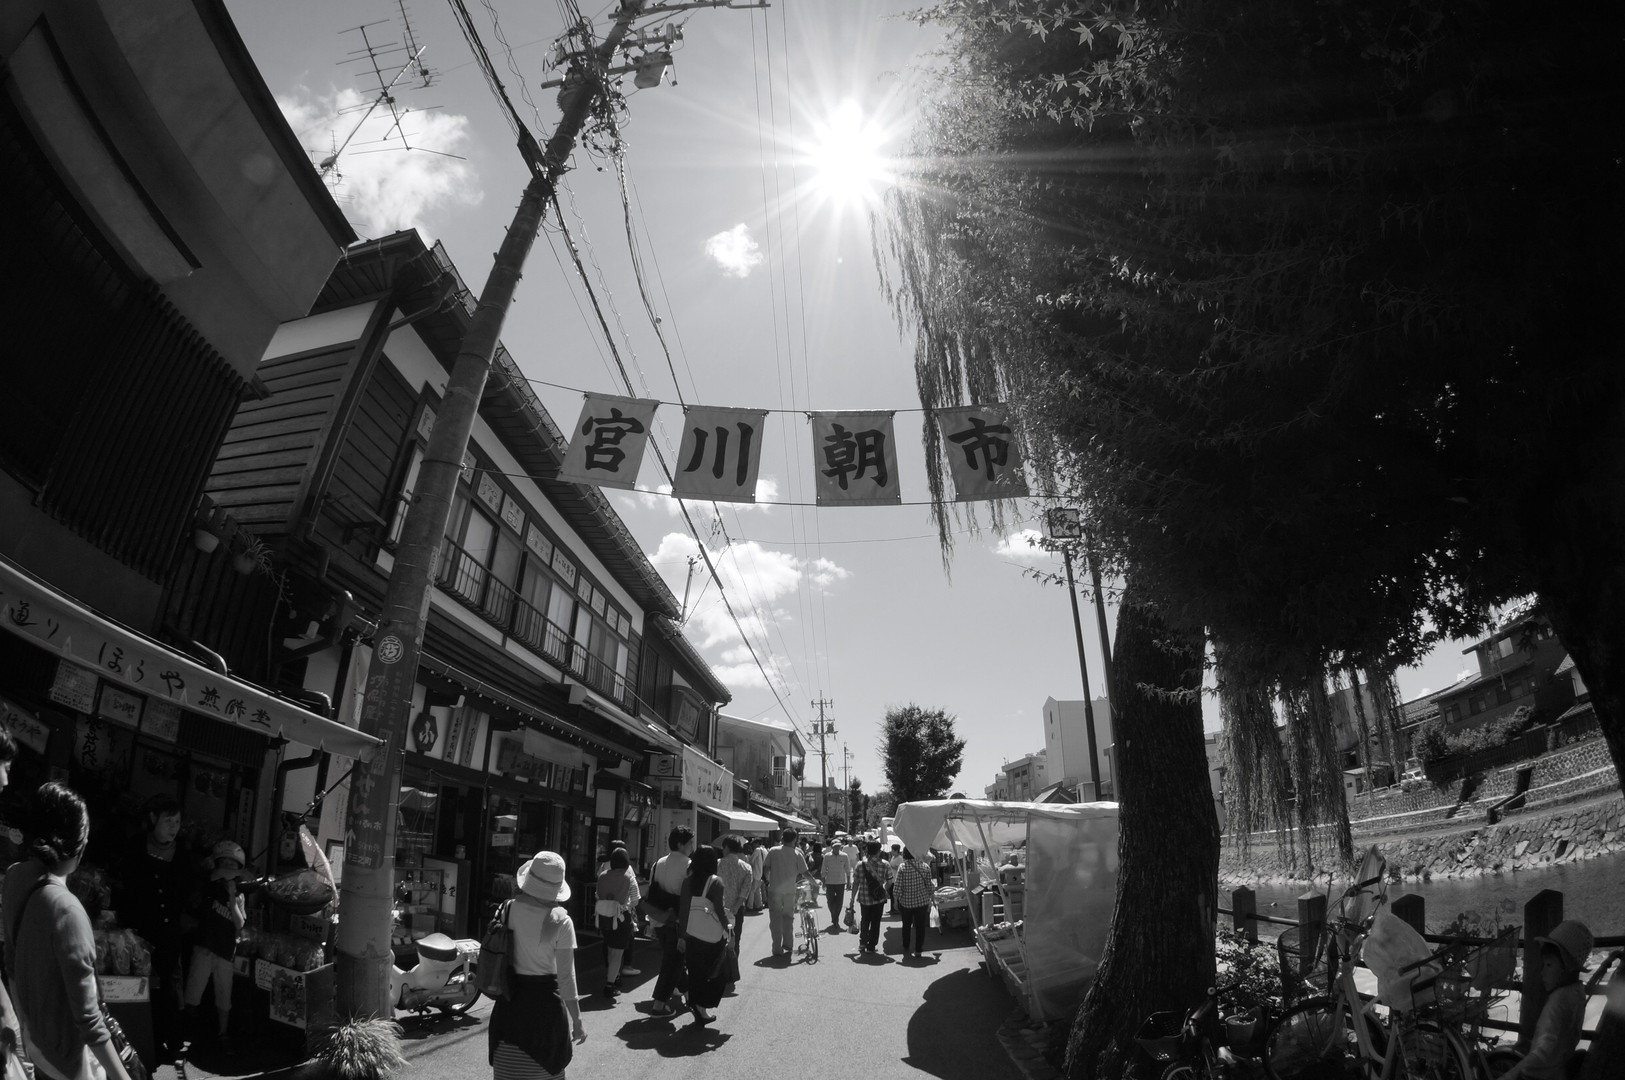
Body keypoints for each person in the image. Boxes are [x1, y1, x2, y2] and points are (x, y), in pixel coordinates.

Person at [1, 780, 134, 1080]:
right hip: (69, 1063)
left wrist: (27, 1029)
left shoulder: (14, 876)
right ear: (80, 843)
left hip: (37, 1047)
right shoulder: (69, 910)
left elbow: (10, 965)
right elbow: (90, 1022)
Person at [489, 851, 585, 1080]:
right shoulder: (561, 921)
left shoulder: (507, 909)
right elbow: (566, 979)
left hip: (508, 1009)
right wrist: (577, 1021)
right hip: (545, 1018)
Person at [115, 796, 191, 1065]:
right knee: (139, 985)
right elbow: (124, 885)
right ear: (153, 819)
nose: (174, 827)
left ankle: (169, 1042)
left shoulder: (184, 854)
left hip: (169, 932)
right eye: (168, 821)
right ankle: (139, 1042)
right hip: (138, 932)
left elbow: (189, 892)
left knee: (167, 986)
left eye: (177, 822)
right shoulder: (135, 846)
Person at [1501, 920, 1593, 1080]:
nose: (1542, 972)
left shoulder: (1558, 1001)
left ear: (1567, 968)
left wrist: (1513, 1075)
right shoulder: (1576, 992)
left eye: (1549, 965)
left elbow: (1543, 1053)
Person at [184, 840, 247, 1054]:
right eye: (224, 863)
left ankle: (223, 1033)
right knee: (193, 991)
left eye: (232, 864)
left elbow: (239, 924)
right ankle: (188, 1031)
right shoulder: (208, 885)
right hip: (204, 946)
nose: (227, 867)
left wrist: (231, 896)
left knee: (224, 996)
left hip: (225, 952)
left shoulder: (239, 894)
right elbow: (194, 902)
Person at [676, 846, 729, 1026]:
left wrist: (681, 936)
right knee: (715, 972)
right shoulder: (716, 882)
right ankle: (702, 1007)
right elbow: (720, 911)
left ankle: (697, 1005)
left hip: (691, 934)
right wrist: (729, 930)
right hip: (712, 937)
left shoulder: (687, 882)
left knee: (695, 972)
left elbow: (683, 910)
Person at [647, 826, 693, 1016]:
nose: (691, 846)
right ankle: (658, 1005)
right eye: (690, 843)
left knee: (674, 959)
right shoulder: (689, 864)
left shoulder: (658, 862)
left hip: (659, 918)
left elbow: (652, 889)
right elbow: (690, 894)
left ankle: (690, 995)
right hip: (678, 920)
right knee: (672, 962)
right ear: (681, 844)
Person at [594, 849, 639, 1002]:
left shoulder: (602, 876)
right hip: (621, 918)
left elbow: (597, 895)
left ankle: (614, 975)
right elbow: (635, 900)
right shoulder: (629, 878)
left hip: (604, 917)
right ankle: (610, 985)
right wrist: (624, 904)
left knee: (609, 948)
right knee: (617, 953)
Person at [761, 828, 808, 958]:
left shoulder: (773, 851)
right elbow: (805, 872)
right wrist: (815, 883)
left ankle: (776, 948)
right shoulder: (797, 853)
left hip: (774, 890)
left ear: (783, 837)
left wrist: (769, 880)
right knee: (788, 918)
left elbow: (766, 868)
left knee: (775, 919)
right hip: (790, 892)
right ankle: (788, 944)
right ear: (795, 839)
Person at [893, 847, 935, 959]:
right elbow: (929, 886)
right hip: (922, 902)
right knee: (920, 926)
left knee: (906, 924)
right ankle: (918, 950)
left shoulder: (902, 867)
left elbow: (897, 885)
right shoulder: (925, 867)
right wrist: (932, 898)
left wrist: (895, 901)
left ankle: (906, 944)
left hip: (906, 902)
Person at [716, 836, 755, 946]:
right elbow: (745, 890)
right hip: (737, 909)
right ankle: (733, 957)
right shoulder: (746, 867)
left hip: (719, 908)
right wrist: (736, 907)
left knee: (718, 940)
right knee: (735, 940)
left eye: (723, 848)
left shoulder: (717, 864)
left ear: (727, 847)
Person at [853, 841, 890, 954]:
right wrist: (884, 890)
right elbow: (889, 882)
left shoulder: (860, 864)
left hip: (864, 898)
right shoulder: (885, 864)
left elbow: (855, 883)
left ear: (867, 851)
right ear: (879, 851)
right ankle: (871, 946)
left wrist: (852, 899)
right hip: (879, 899)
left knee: (865, 920)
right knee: (875, 922)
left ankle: (862, 943)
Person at [820, 838, 850, 931]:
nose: (837, 848)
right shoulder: (827, 856)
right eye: (835, 847)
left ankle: (835, 919)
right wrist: (823, 882)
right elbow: (823, 869)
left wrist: (849, 882)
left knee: (839, 902)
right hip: (830, 882)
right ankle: (834, 916)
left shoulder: (844, 856)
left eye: (839, 846)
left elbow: (848, 870)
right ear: (832, 847)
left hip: (841, 882)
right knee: (830, 901)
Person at [747, 838, 766, 912]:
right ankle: (759, 905)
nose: (753, 845)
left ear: (757, 843)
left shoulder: (757, 850)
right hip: (760, 872)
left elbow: (751, 860)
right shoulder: (764, 850)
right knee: (757, 890)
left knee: (752, 890)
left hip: (755, 872)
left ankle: (750, 906)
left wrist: (748, 856)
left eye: (754, 843)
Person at [886, 844, 904, 916]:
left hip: (896, 879)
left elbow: (899, 868)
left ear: (896, 851)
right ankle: (892, 908)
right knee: (891, 894)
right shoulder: (893, 857)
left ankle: (897, 909)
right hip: (891, 878)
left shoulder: (900, 858)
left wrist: (891, 867)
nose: (891, 851)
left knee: (895, 894)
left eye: (893, 850)